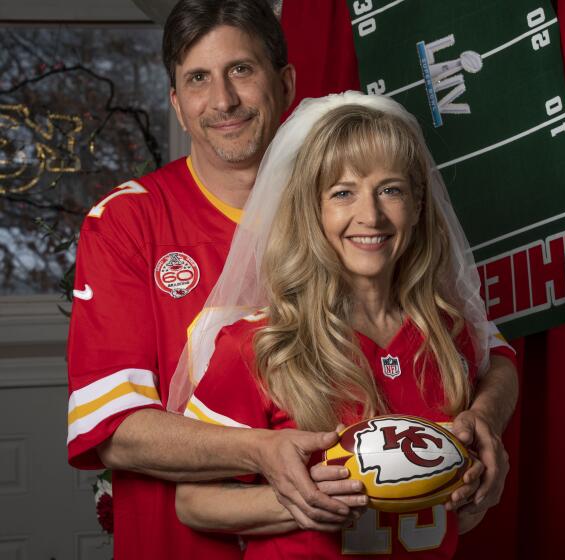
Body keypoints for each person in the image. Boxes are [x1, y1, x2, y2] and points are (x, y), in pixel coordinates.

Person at [66, 0, 518, 558]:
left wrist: (481, 429)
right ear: (177, 105)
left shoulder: (352, 217)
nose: (224, 100)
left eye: (241, 70)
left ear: (285, 83)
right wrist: (261, 453)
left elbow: (484, 350)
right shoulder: (129, 222)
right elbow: (114, 428)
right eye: (199, 79)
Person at [173, 92, 514, 558]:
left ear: (417, 204)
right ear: (313, 210)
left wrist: (474, 478)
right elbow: (193, 503)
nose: (370, 215)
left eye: (390, 189)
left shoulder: (448, 332)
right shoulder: (259, 345)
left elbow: (502, 366)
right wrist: (298, 501)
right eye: (343, 193)